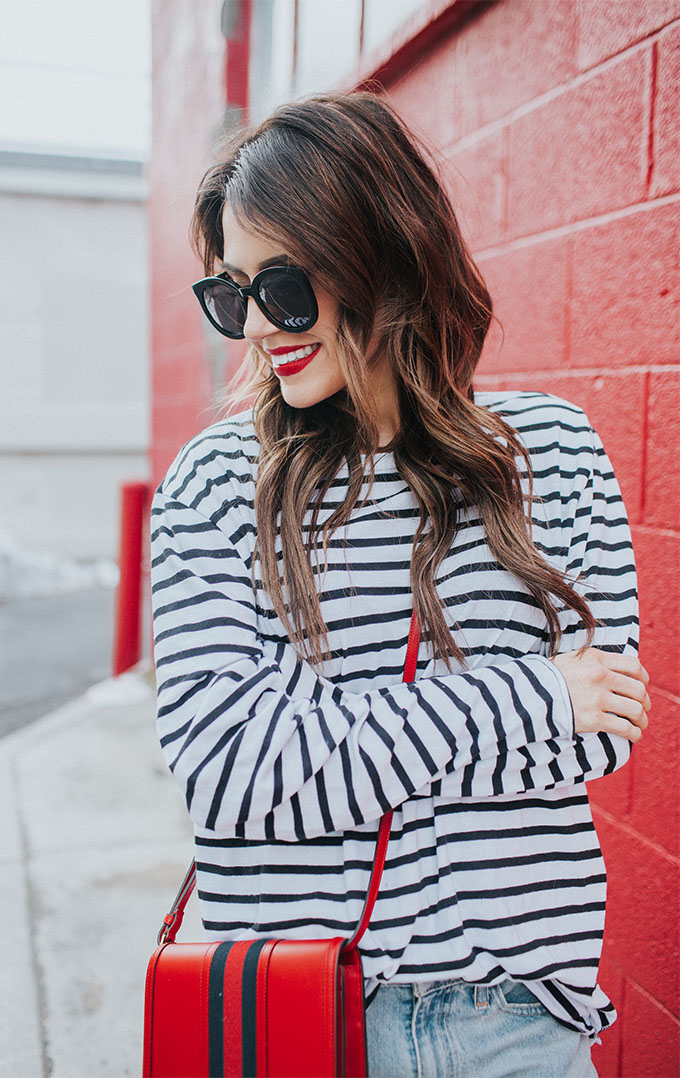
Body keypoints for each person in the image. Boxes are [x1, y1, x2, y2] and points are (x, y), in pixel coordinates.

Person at [150, 93, 650, 1077]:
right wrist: (522, 694)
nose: (255, 329)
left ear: (378, 256)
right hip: (291, 1012)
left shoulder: (550, 452)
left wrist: (321, 734)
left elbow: (592, 740)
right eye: (229, 295)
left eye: (283, 289)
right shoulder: (213, 484)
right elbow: (228, 772)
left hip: (513, 1012)